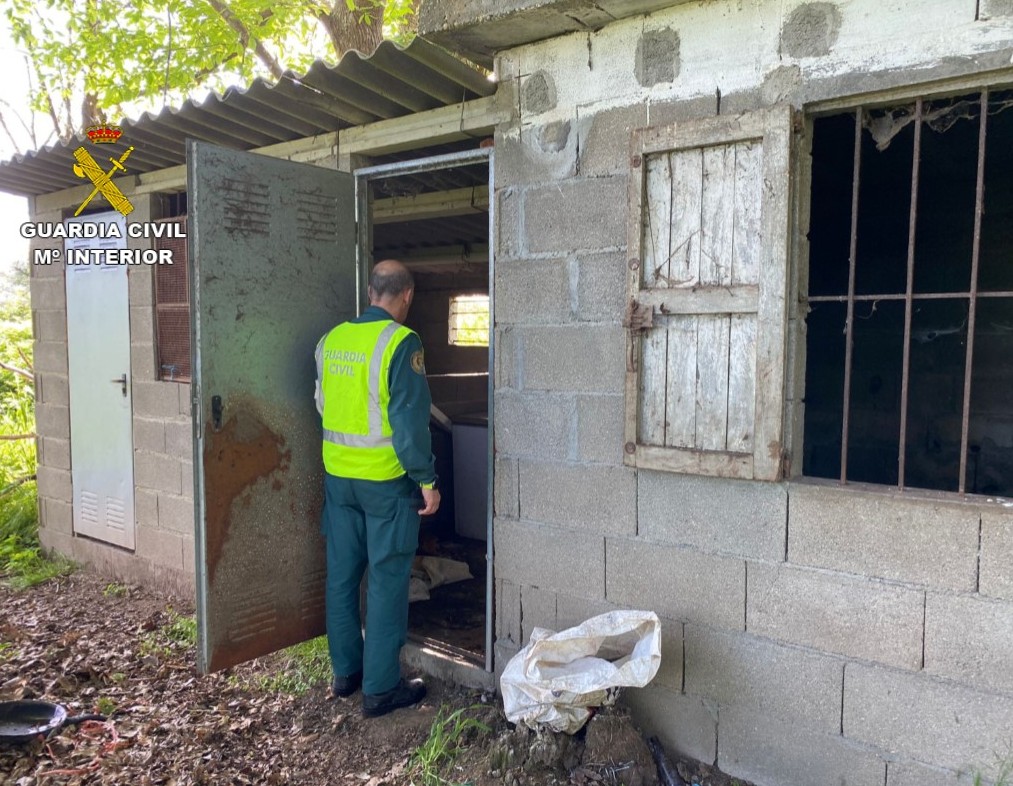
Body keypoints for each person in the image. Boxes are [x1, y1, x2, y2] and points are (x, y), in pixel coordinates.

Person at [314, 259, 441, 718]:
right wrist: (427, 480)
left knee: (343, 579)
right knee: (387, 583)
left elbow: (323, 405)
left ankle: (345, 674)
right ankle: (381, 689)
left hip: (339, 480)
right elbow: (409, 426)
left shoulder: (331, 340)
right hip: (385, 485)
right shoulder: (401, 343)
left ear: (370, 292)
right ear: (405, 297)